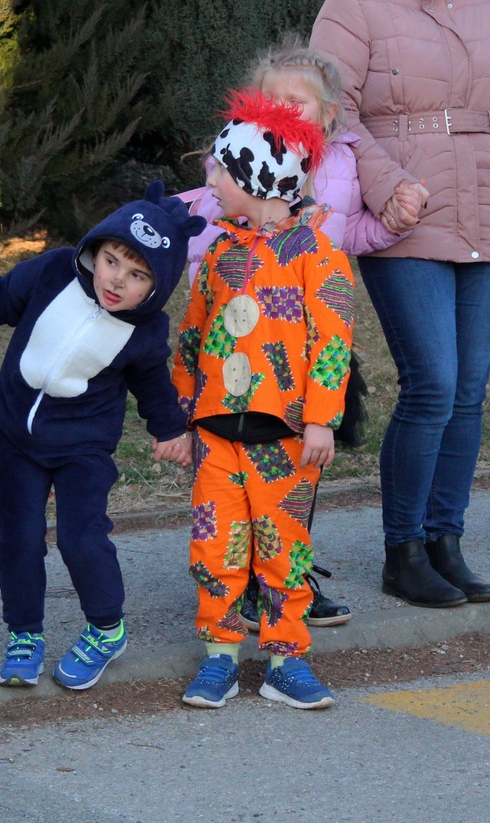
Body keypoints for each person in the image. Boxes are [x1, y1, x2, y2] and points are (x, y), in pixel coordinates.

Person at [310, 0, 490, 609]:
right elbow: (329, 110)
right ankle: (403, 549)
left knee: (471, 390)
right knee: (433, 383)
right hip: (405, 212)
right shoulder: (355, 1)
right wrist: (383, 187)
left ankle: (448, 540)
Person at [176, 39, 421, 628]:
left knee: (292, 478)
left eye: (298, 101)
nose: (284, 109)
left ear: (328, 113)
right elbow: (199, 209)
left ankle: (287, 575)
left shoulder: (343, 162)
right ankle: (239, 586)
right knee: (232, 477)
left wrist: (389, 227)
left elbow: (355, 229)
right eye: (273, 98)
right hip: (238, 342)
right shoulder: (236, 159)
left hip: (312, 336)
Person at [0, 182, 199, 690]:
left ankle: (106, 628)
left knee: (80, 536)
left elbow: (153, 386)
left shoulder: (145, 331)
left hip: (83, 447)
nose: (116, 281)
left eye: (137, 277)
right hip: (15, 435)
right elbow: (0, 297)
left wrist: (170, 429)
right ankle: (24, 633)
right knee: (18, 537)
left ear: (155, 288)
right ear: (97, 249)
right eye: (112, 261)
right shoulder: (53, 272)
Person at [174, 90, 353, 711]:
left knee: (284, 550)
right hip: (216, 436)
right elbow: (193, 336)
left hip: (288, 438)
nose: (213, 180)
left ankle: (286, 659)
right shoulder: (220, 253)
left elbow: (334, 339)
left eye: (221, 169)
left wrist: (324, 419)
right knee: (214, 543)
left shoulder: (317, 254)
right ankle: (219, 655)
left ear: (257, 175)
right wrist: (178, 414)